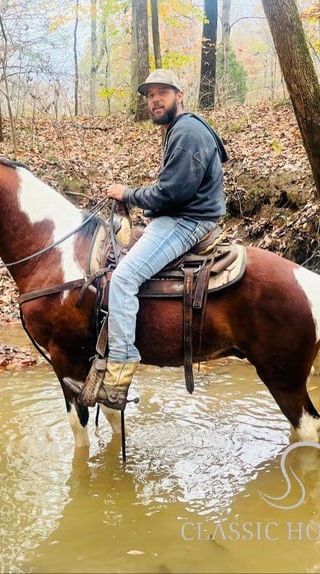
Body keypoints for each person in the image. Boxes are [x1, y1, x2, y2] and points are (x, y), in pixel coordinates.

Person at [88, 68, 228, 410]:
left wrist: (128, 193)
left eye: (162, 92)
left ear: (179, 96)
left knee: (122, 280)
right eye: (150, 94)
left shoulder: (188, 131)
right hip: (183, 215)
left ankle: (119, 376)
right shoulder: (179, 130)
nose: (155, 100)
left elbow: (172, 193)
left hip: (187, 222)